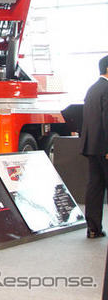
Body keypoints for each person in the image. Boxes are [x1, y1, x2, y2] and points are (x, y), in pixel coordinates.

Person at [80, 55, 108, 239]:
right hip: (105, 147)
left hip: (91, 146)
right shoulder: (107, 89)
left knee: (95, 186)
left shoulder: (92, 89)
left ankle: (93, 228)